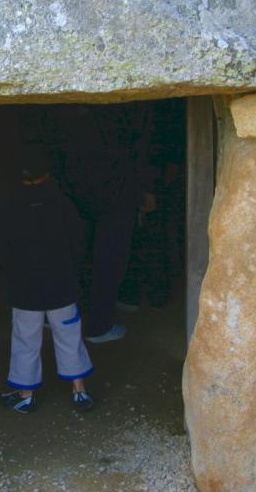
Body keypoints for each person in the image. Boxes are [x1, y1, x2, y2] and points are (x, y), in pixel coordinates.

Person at [0, 142, 95, 414]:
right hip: (61, 285)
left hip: (24, 289)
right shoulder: (63, 203)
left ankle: (26, 394)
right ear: (48, 173)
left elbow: (0, 247)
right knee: (69, 335)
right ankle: (79, 391)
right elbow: (79, 242)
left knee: (26, 338)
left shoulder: (11, 206)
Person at [58, 103, 154, 342]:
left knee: (76, 255)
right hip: (117, 193)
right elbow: (139, 148)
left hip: (77, 190)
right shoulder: (127, 108)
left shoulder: (72, 108)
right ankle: (98, 326)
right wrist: (145, 189)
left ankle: (64, 318)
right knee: (109, 261)